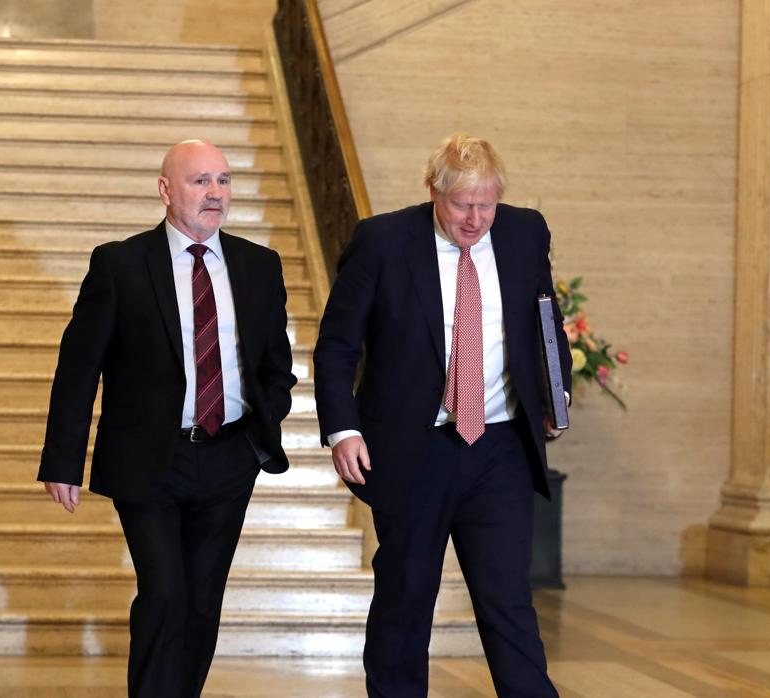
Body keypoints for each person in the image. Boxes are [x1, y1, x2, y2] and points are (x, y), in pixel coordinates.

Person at [314, 133, 571, 697]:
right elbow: (336, 345)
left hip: (500, 447)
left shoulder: (526, 233)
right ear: (434, 191)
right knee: (405, 600)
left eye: (487, 204)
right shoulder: (382, 242)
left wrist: (556, 394)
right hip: (413, 450)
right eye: (462, 205)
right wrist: (343, 428)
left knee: (508, 601)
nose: (476, 219)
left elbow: (545, 323)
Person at [37, 139, 297, 698]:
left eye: (223, 181)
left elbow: (276, 364)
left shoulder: (259, 265)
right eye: (200, 181)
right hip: (149, 459)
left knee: (202, 603)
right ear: (165, 190)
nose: (215, 193)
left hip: (230, 456)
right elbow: (79, 369)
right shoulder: (120, 264)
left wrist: (260, 429)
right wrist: (63, 459)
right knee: (165, 595)